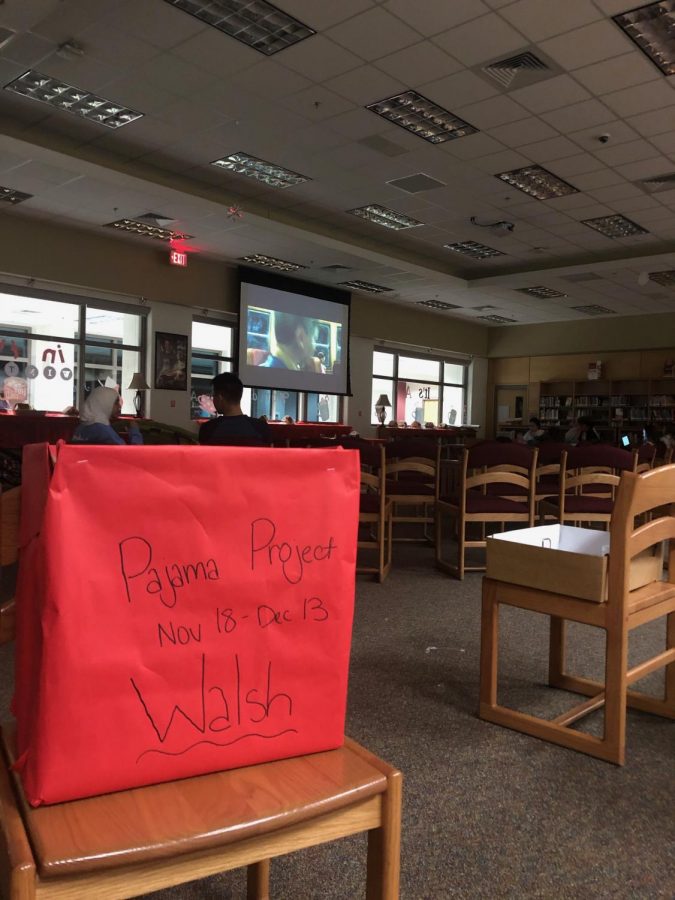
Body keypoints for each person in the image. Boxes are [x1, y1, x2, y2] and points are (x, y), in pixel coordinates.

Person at [199, 372, 271, 446]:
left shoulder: (208, 429)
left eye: (213, 396)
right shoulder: (261, 428)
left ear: (220, 397)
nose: (213, 400)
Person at [72, 386, 142, 445]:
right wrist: (135, 431)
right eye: (116, 402)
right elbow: (129, 454)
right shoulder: (103, 430)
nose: (119, 406)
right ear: (105, 403)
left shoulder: (81, 427)